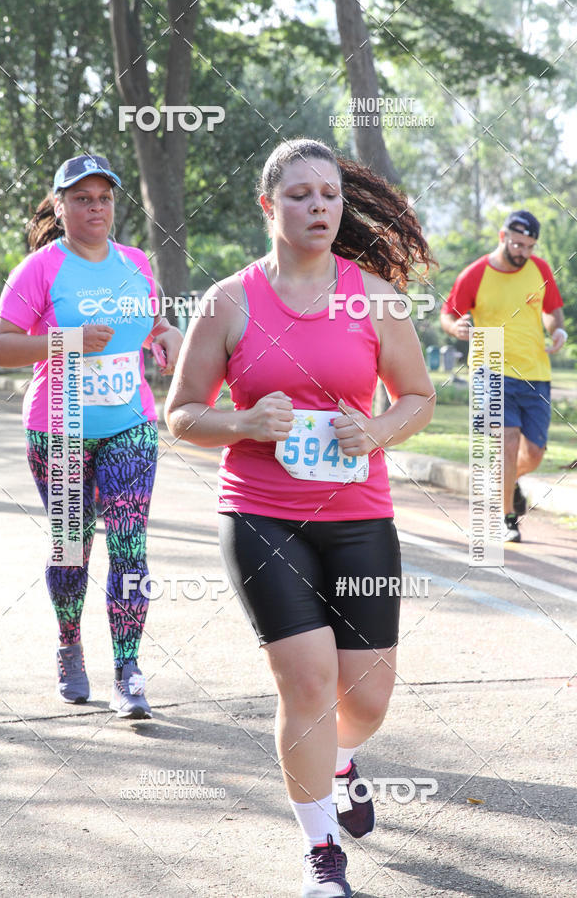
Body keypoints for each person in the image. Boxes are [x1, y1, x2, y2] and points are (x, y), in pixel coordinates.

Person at [165, 138, 435, 897]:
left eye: (329, 195)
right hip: (260, 514)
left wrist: (377, 430)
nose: (318, 206)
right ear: (268, 206)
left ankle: (338, 761)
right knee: (307, 683)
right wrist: (243, 425)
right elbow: (181, 414)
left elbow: (417, 395)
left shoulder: (374, 295)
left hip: (359, 517)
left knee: (367, 700)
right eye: (300, 195)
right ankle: (322, 854)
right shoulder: (229, 300)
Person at [0, 153, 182, 718]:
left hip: (130, 425)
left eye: (104, 198)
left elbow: (154, 323)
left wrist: (166, 336)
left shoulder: (136, 262)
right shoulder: (39, 269)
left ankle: (128, 668)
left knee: (129, 548)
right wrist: (65, 340)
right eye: (81, 198)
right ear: (60, 206)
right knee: (73, 547)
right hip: (60, 430)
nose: (95, 207)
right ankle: (69, 643)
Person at [440, 210, 566, 543]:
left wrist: (558, 332)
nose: (522, 251)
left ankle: (506, 484)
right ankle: (507, 518)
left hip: (536, 372)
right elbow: (448, 314)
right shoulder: (475, 274)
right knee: (507, 441)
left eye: (529, 246)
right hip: (490, 368)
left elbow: (553, 312)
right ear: (502, 236)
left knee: (535, 453)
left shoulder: (539, 270)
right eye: (517, 243)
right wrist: (455, 327)